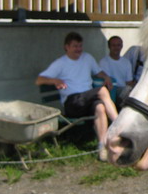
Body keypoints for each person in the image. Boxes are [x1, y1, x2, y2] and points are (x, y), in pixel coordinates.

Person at [36, 32, 119, 161]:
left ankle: (102, 147)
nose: (78, 49)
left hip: (86, 100)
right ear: (67, 47)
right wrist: (55, 80)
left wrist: (106, 76)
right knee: (102, 91)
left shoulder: (87, 58)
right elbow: (40, 80)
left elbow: (98, 72)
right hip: (72, 103)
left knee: (100, 107)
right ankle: (119, 125)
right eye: (75, 46)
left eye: (80, 46)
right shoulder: (61, 63)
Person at [98, 35, 136, 103]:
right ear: (109, 46)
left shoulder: (126, 62)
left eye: (118, 45)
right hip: (110, 90)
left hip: (123, 91)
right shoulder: (103, 62)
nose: (116, 48)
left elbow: (129, 82)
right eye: (113, 45)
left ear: (121, 46)